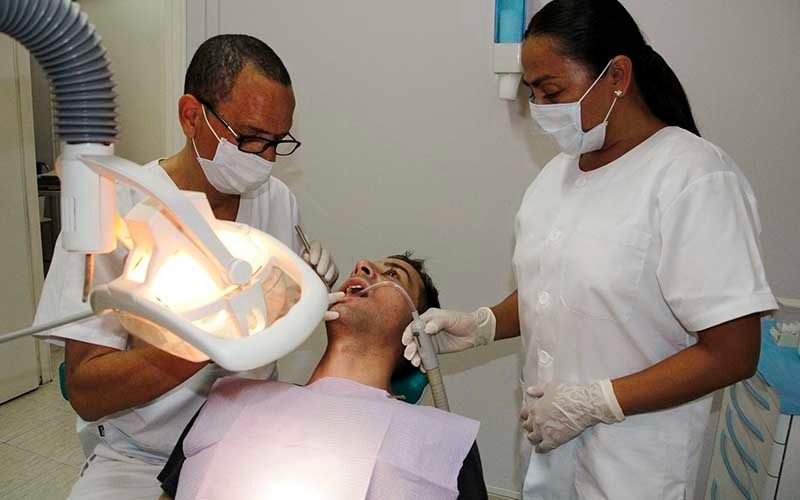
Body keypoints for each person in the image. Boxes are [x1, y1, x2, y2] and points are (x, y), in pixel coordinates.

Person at [402, 1, 777, 498]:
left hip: (634, 467)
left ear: (617, 74)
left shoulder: (694, 177)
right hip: (548, 456)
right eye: (532, 93)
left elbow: (733, 353)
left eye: (551, 91)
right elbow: (554, 292)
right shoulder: (554, 178)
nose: (540, 110)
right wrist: (482, 325)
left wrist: (596, 402)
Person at [33, 35, 339, 499]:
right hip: (142, 457)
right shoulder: (113, 213)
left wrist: (303, 294)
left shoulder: (277, 203)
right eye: (251, 138)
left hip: (249, 442)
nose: (268, 159)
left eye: (279, 141)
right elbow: (87, 392)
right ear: (191, 116)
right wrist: (211, 341)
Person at [157, 254, 488, 500]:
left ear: (417, 329)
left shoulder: (443, 442)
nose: (361, 266)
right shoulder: (231, 399)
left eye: (393, 275)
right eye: (363, 267)